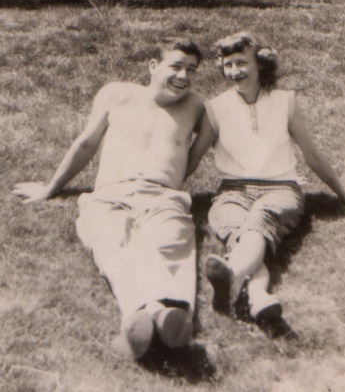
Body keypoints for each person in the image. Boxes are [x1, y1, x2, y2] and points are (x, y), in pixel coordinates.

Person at [13, 37, 206, 360]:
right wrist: (50, 188)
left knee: (173, 241)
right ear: (153, 66)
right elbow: (86, 143)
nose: (183, 76)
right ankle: (159, 313)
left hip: (162, 196)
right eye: (175, 66)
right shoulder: (117, 94)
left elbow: (225, 130)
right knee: (113, 242)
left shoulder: (196, 105)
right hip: (109, 196)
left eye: (191, 69)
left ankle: (151, 315)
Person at [186, 31, 345, 330]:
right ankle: (258, 296)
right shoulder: (216, 107)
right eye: (228, 65)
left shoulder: (284, 102)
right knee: (243, 234)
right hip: (232, 192)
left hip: (281, 190)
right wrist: (159, 190)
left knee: (258, 222)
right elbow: (193, 157)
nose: (235, 71)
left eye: (242, 63)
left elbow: (312, 155)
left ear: (260, 64)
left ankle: (233, 273)